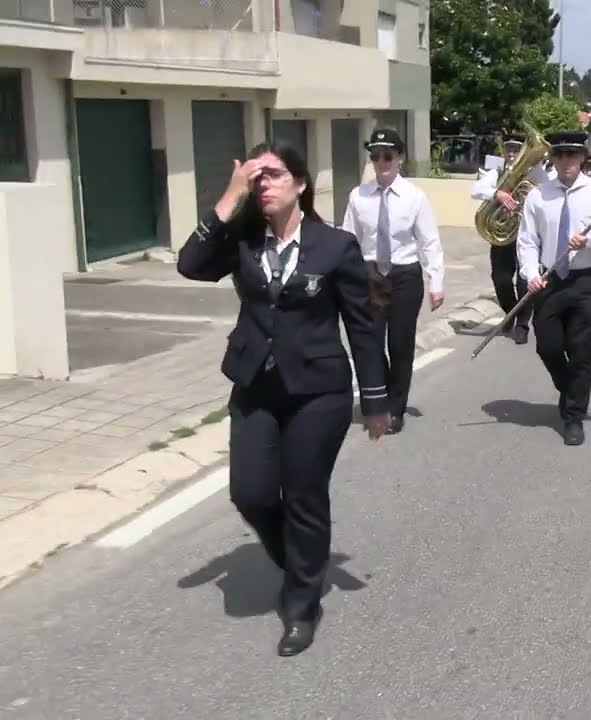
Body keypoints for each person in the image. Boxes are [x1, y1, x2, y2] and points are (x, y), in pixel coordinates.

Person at [177, 141, 391, 657]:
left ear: (300, 184)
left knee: (304, 495)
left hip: (319, 391)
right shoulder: (244, 241)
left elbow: (362, 327)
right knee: (249, 493)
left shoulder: (335, 246)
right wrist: (227, 200)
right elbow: (190, 265)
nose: (263, 185)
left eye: (272, 175)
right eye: (256, 178)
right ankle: (299, 561)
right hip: (255, 384)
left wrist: (377, 399)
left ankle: (301, 605)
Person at [518, 130, 591, 446]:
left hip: (587, 280)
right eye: (560, 155)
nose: (566, 162)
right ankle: (570, 388)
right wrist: (531, 273)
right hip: (550, 280)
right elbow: (527, 240)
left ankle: (574, 416)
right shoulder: (538, 195)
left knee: (580, 349)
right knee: (546, 346)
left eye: (572, 155)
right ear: (553, 158)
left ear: (582, 157)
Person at [342, 128, 444, 434]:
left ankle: (396, 408)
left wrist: (436, 281)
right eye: (376, 156)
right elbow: (348, 241)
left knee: (400, 345)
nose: (382, 161)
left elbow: (429, 242)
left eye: (388, 155)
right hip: (370, 275)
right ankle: (381, 395)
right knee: (369, 344)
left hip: (404, 275)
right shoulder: (358, 197)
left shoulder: (415, 197)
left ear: (399, 157)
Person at [469, 134, 550, 345]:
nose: (513, 154)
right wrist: (498, 194)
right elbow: (475, 190)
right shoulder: (496, 172)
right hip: (502, 234)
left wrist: (529, 197)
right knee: (501, 279)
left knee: (525, 282)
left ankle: (522, 324)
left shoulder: (536, 172)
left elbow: (547, 196)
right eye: (510, 150)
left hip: (527, 234)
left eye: (517, 150)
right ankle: (510, 313)